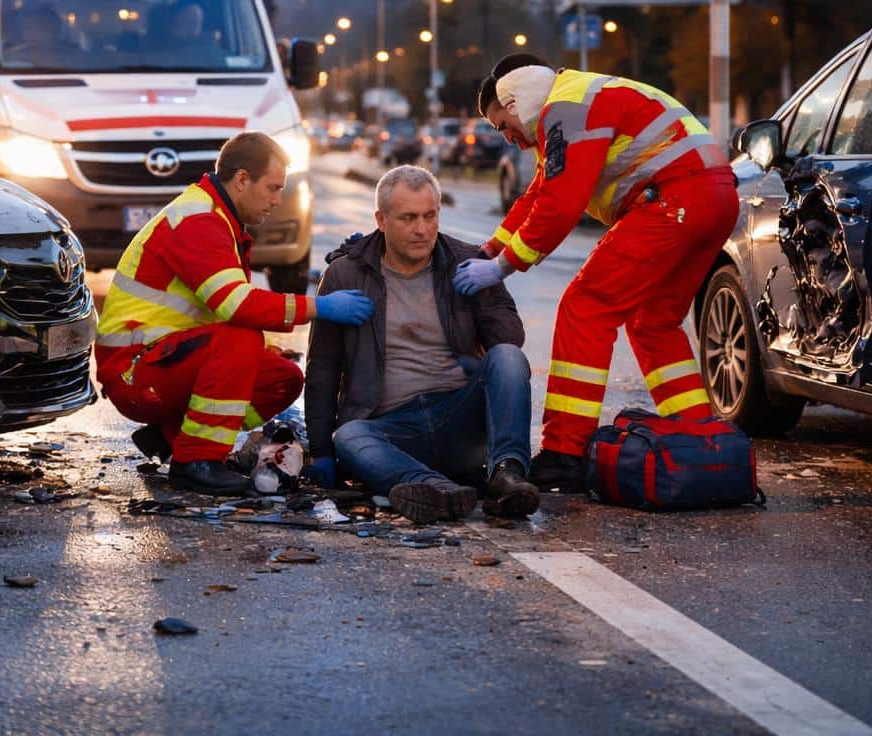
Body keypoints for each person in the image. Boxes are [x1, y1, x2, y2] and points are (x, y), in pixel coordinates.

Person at [456, 54, 737, 492]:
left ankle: (564, 454)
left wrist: (501, 267)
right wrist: (490, 248)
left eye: (501, 125)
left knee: (585, 306)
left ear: (514, 103)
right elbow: (539, 193)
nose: (507, 139)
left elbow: (559, 205)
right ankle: (698, 436)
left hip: (671, 200)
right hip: (711, 197)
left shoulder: (564, 111)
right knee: (653, 322)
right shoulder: (577, 100)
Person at [95, 131, 374, 495]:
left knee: (282, 376)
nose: (277, 200)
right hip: (134, 372)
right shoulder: (199, 221)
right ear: (242, 180)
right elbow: (236, 306)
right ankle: (196, 462)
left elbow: (217, 313)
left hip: (160, 363)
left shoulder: (218, 218)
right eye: (272, 188)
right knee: (242, 338)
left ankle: (172, 437)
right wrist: (319, 307)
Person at [305, 165, 539, 524]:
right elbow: (322, 368)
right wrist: (320, 449)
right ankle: (430, 488)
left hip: (458, 418)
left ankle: (507, 475)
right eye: (409, 218)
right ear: (381, 220)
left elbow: (508, 342)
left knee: (509, 358)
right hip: (392, 429)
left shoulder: (466, 262)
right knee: (349, 435)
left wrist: (487, 292)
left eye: (431, 216)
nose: (422, 229)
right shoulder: (347, 275)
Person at [8, 1, 80, 70]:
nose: (34, 33)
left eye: (42, 28)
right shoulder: (11, 59)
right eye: (29, 28)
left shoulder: (77, 60)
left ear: (56, 30)